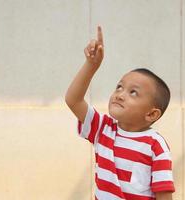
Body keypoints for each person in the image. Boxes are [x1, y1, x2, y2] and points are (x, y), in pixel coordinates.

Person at [65, 26, 175, 200]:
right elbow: (73, 100)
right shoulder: (103, 129)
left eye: (133, 92)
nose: (120, 95)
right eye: (119, 87)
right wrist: (91, 66)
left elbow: (164, 194)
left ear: (151, 114)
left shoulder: (156, 145)